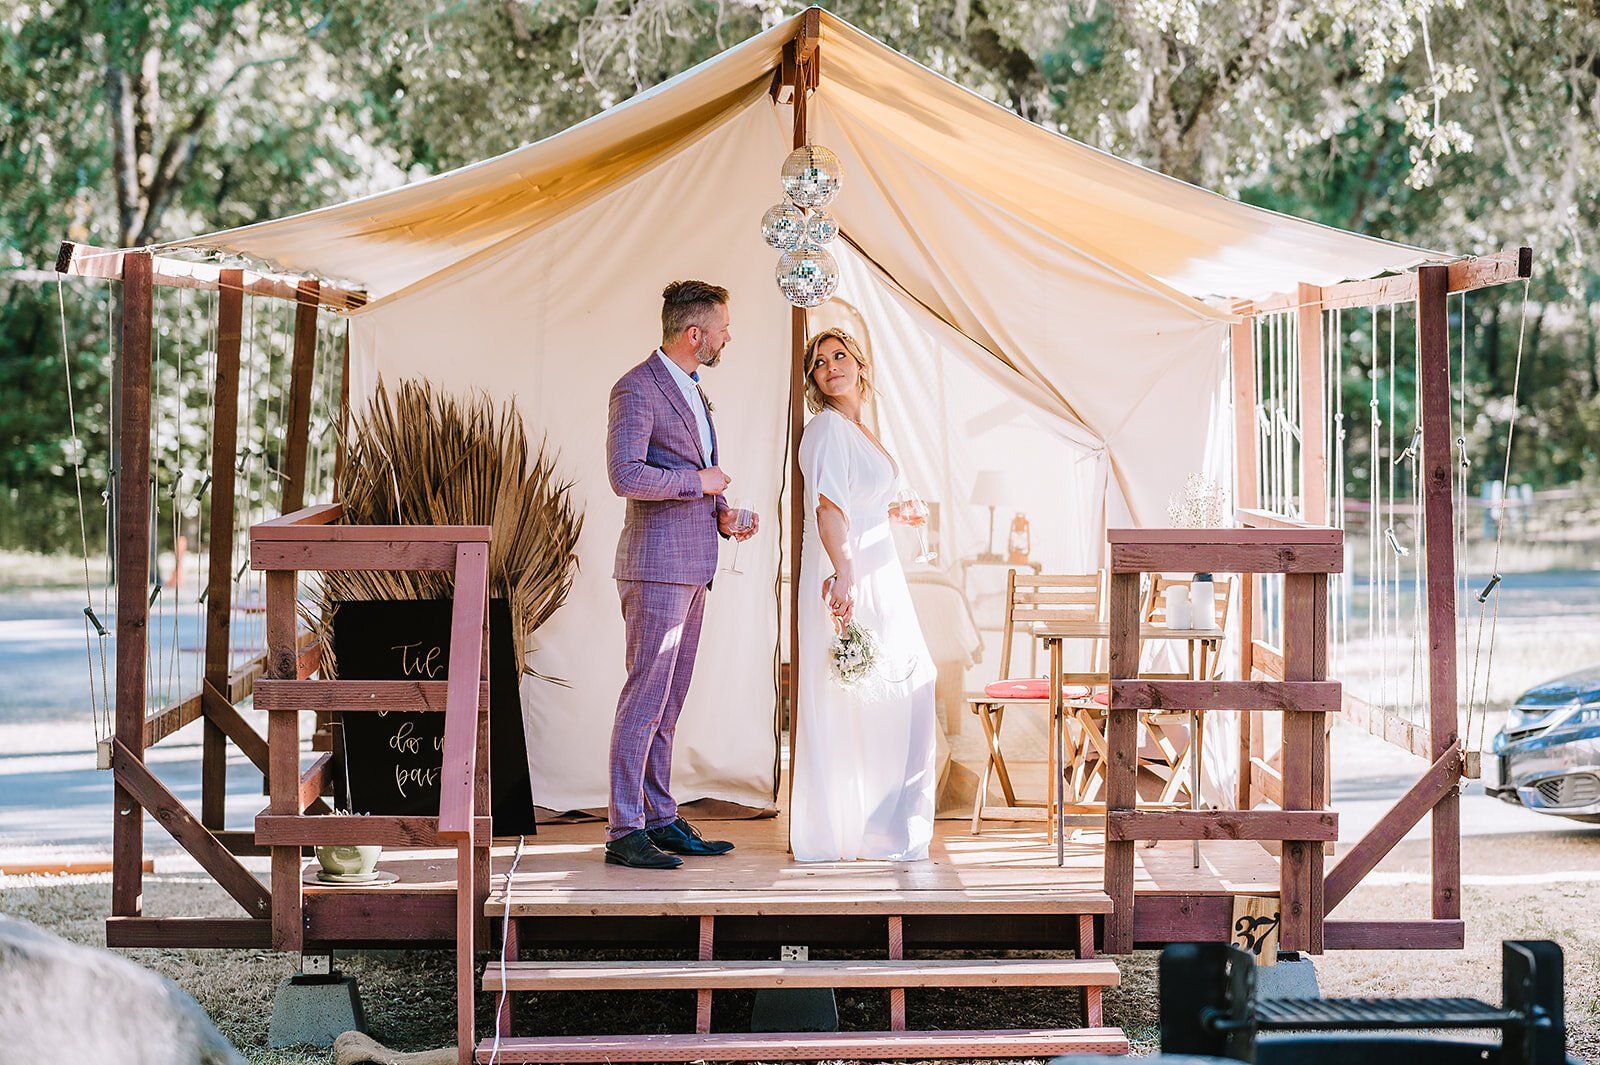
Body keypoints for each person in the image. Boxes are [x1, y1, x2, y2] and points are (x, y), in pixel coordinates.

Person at [603, 280, 759, 869]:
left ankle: (661, 818)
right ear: (695, 333)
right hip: (654, 570)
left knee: (668, 701)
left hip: (693, 566)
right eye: (722, 327)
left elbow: (685, 475)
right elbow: (626, 475)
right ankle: (624, 829)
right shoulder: (636, 388)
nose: (727, 337)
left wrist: (722, 516)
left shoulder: (693, 389)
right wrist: (701, 483)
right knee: (644, 696)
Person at [791, 327, 937, 863]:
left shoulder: (856, 427)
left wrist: (893, 512)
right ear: (812, 378)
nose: (830, 366)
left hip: (880, 566)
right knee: (864, 694)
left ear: (859, 363)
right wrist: (845, 573)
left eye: (839, 356)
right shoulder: (827, 428)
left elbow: (856, 500)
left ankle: (879, 826)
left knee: (903, 688)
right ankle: (851, 828)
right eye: (819, 362)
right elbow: (828, 508)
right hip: (854, 571)